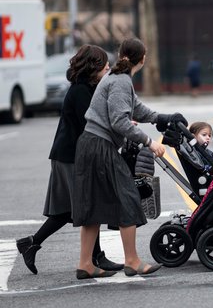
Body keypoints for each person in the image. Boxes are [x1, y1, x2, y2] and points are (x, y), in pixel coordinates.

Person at [71, 37, 187, 279]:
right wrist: (149, 142)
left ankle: (85, 264)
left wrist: (162, 118)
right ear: (143, 59)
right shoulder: (121, 81)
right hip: (99, 146)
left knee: (93, 204)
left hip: (91, 144)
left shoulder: (117, 78)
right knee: (128, 198)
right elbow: (120, 121)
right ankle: (132, 261)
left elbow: (135, 109)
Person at [16, 45, 122, 275]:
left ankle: (31, 244)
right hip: (71, 157)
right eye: (103, 63)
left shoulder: (86, 88)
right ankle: (96, 257)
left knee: (72, 209)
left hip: (70, 155)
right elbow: (91, 125)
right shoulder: (80, 92)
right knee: (86, 206)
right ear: (92, 66)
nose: (107, 67)